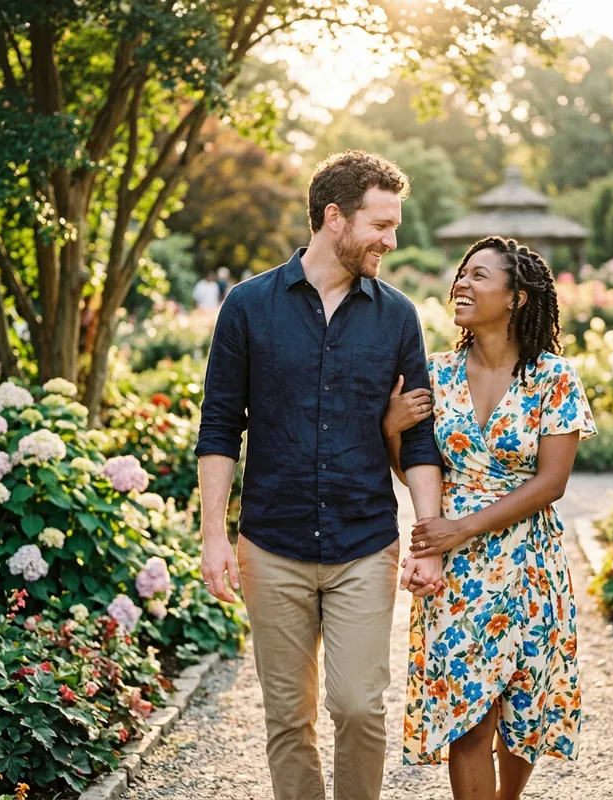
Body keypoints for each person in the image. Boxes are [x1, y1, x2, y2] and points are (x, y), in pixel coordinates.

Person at [195, 150, 445, 800]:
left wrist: (429, 533)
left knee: (359, 705)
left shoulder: (397, 317)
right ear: (334, 217)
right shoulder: (248, 307)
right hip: (271, 545)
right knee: (287, 718)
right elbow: (221, 427)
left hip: (364, 543)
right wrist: (214, 536)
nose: (391, 241)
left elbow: (418, 438)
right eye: (381, 225)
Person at [383, 236, 596, 800]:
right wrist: (390, 430)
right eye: (462, 273)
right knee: (467, 715)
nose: (462, 284)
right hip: (457, 574)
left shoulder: (554, 377)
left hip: (528, 564)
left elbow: (552, 482)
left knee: (521, 715)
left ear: (517, 297)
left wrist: (462, 527)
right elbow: (417, 469)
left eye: (479, 276)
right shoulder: (437, 373)